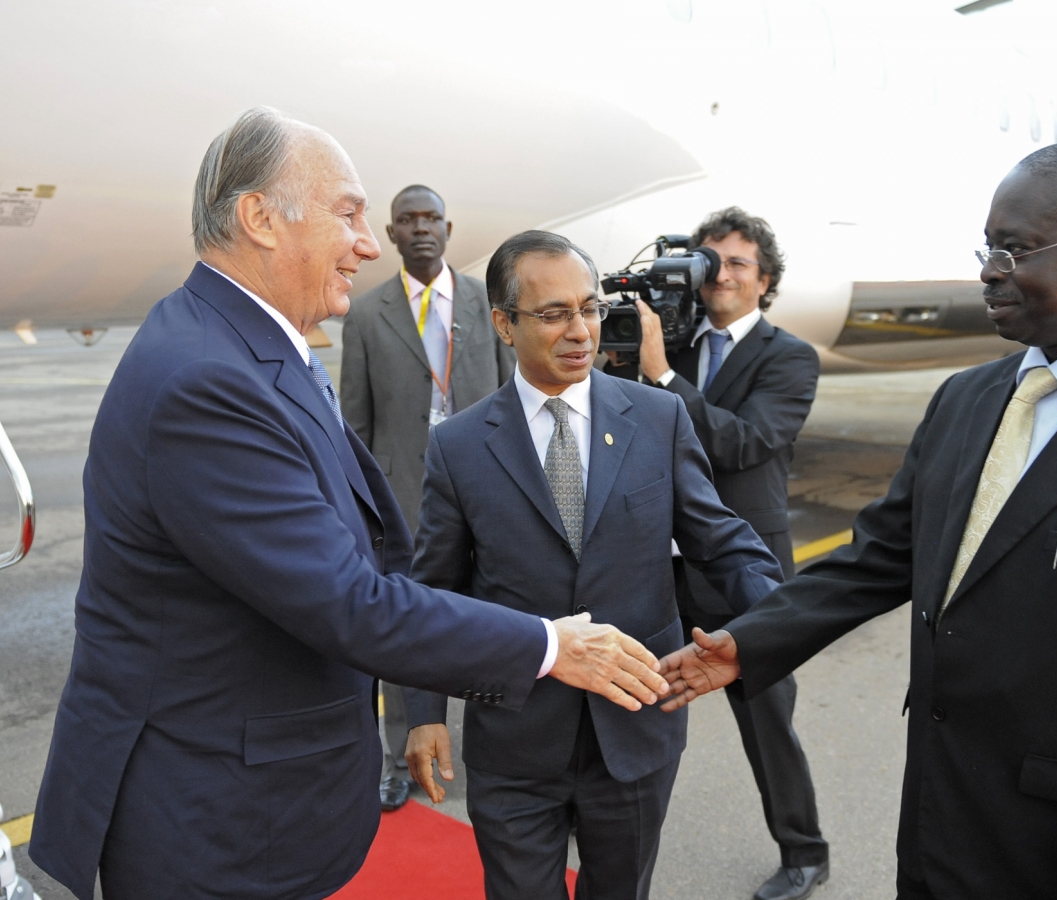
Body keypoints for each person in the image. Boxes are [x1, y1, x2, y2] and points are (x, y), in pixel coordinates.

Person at [27, 108, 669, 900]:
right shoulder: (207, 381)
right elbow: (349, 600)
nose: (370, 243)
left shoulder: (241, 344)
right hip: (214, 821)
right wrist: (549, 645)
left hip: (250, 801)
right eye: (349, 214)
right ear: (260, 218)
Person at [659, 142, 1057, 900]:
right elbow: (879, 559)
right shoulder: (966, 400)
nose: (989, 270)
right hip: (935, 825)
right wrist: (745, 644)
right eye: (988, 247)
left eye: (1015, 250)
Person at [400, 230, 784, 900]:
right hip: (515, 740)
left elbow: (720, 541)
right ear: (503, 323)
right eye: (553, 314)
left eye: (590, 308)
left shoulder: (658, 418)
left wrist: (779, 628)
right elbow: (434, 586)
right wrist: (423, 712)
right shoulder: (459, 448)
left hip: (636, 729)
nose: (580, 330)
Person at [627, 208, 829, 900]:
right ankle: (605, 819)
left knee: (767, 721)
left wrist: (660, 377)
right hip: (663, 563)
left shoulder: (790, 357)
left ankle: (805, 851)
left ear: (764, 280)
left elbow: (744, 443)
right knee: (634, 702)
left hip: (747, 566)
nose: (721, 274)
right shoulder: (670, 348)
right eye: (711, 261)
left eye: (738, 263)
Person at [341, 183, 514, 810]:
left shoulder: (484, 302)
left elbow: (509, 403)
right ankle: (394, 759)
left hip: (485, 493)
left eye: (431, 218)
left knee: (493, 619)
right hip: (403, 500)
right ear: (389, 234)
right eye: (406, 220)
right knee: (400, 633)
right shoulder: (366, 313)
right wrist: (360, 513)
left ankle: (504, 751)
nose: (420, 228)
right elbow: (354, 429)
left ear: (448, 226)